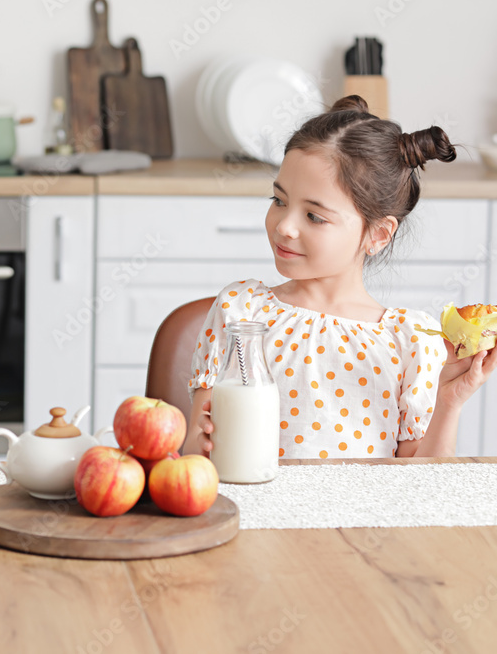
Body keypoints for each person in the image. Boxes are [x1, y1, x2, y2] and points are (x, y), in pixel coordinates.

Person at [184, 95, 497, 459]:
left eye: (314, 217)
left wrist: (449, 403)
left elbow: (421, 486)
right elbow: (195, 453)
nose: (284, 226)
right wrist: (198, 442)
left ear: (378, 234)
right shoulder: (241, 311)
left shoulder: (410, 342)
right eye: (279, 200)